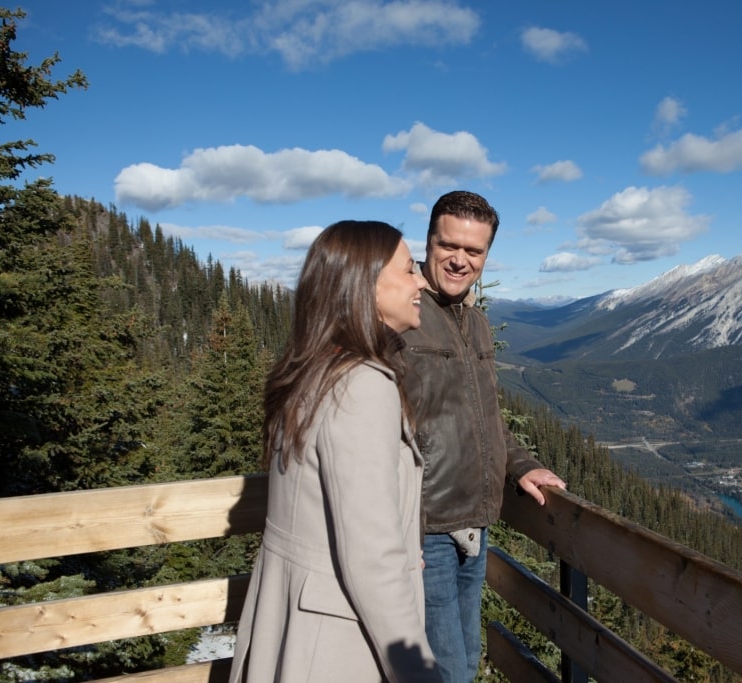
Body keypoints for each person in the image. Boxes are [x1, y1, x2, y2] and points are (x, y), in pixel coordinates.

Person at [229, 220, 442, 683]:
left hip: (293, 625)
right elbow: (371, 555)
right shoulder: (362, 386)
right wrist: (418, 673)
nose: (422, 282)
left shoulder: (314, 369)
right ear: (364, 287)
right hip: (338, 640)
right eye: (409, 270)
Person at [399, 191, 567, 682]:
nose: (459, 260)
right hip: (424, 526)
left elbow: (484, 414)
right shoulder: (400, 313)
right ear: (427, 242)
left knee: (466, 659)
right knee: (444, 670)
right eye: (448, 245)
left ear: (486, 255)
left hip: (475, 520)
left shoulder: (474, 320)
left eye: (473, 252)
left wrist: (520, 465)